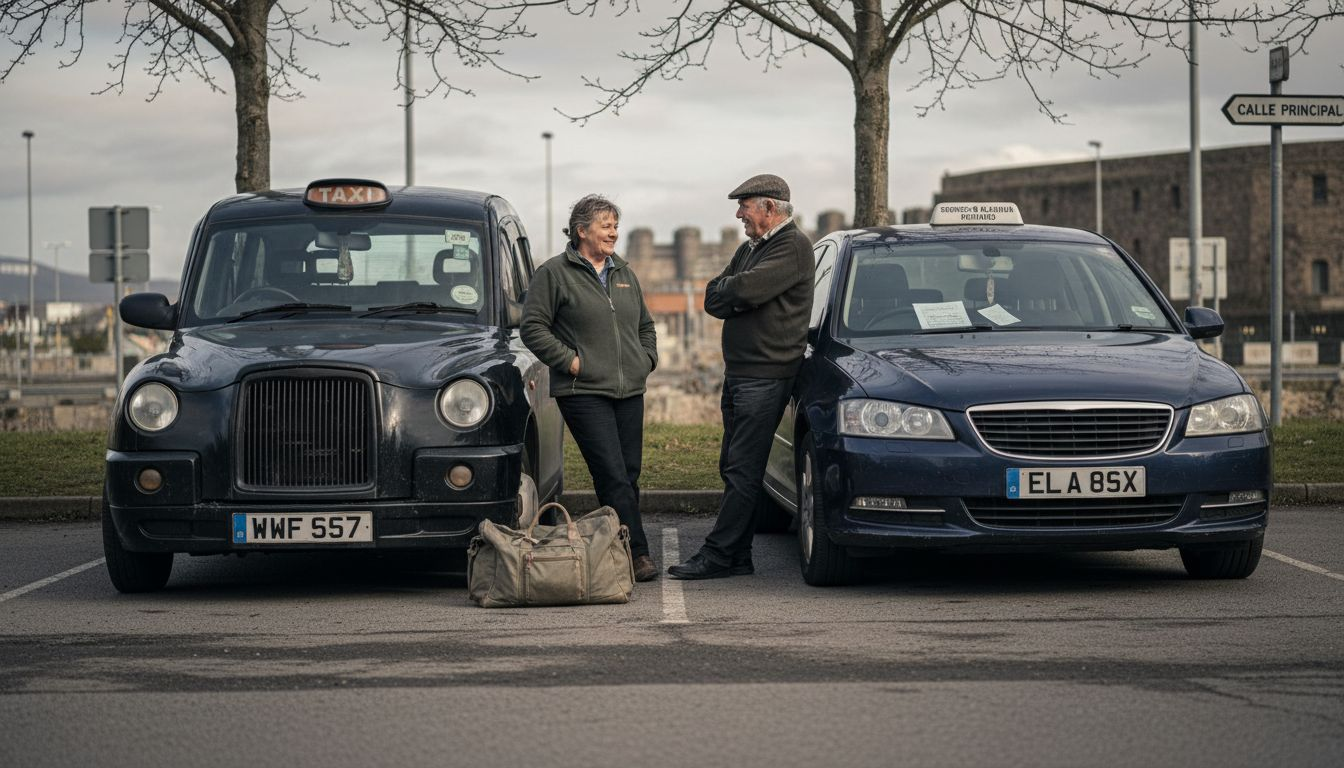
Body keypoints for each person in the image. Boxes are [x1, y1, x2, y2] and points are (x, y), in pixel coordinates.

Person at [668, 174, 814, 580]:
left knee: (743, 467)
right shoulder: (753, 248)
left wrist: (736, 293)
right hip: (743, 374)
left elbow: (743, 292)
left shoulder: (793, 247)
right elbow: (714, 296)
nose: (738, 214)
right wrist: (734, 292)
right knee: (731, 464)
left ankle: (719, 555)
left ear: (769, 208)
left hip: (765, 375)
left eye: (745, 206)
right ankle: (738, 555)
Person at [521, 194, 660, 583]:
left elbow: (644, 326)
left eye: (616, 225)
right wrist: (571, 361)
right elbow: (533, 328)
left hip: (629, 388)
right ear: (582, 231)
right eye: (606, 225)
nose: (614, 232)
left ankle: (615, 544)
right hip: (583, 392)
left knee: (628, 474)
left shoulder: (624, 274)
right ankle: (638, 554)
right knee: (612, 473)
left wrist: (646, 359)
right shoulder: (553, 274)